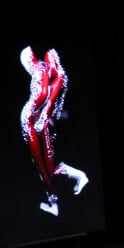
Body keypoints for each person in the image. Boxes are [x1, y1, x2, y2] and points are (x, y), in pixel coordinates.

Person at [20, 46, 89, 217]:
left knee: (46, 163)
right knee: (43, 163)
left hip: (44, 119)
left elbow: (49, 98)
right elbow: (48, 98)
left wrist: (45, 114)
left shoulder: (53, 74)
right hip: (42, 117)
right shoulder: (46, 73)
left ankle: (75, 180)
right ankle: (56, 197)